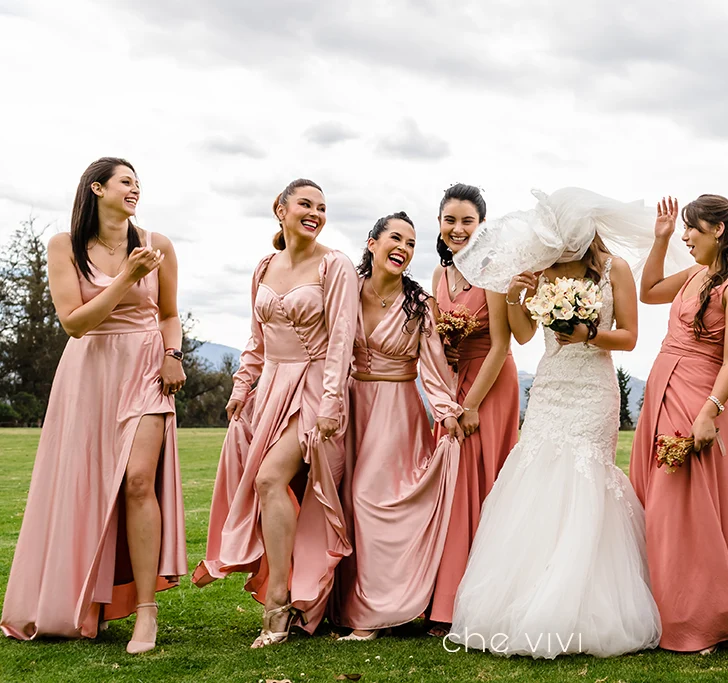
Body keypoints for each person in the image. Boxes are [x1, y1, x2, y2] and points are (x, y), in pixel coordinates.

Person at [448, 188, 662, 658]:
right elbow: (524, 336)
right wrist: (517, 296)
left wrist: (587, 332)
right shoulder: (539, 271)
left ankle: (584, 603)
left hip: (593, 390)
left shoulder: (615, 271)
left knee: (586, 478)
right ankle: (525, 598)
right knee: (539, 475)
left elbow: (628, 337)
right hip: (550, 387)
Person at [1, 157, 187, 654]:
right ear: (97, 188)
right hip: (88, 374)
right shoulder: (64, 246)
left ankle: (146, 612)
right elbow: (74, 323)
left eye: (138, 182)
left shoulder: (157, 244)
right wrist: (126, 278)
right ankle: (90, 602)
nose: (135, 188)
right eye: (125, 181)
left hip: (146, 368)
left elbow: (169, 315)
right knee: (84, 488)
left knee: (139, 479)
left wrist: (173, 354)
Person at [193, 179, 358, 648]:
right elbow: (256, 338)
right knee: (271, 487)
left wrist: (330, 402)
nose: (315, 213)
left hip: (314, 389)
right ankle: (291, 592)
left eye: (322, 207)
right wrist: (241, 386)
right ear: (280, 209)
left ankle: (279, 603)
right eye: (305, 204)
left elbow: (341, 339)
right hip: (269, 392)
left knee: (269, 479)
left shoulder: (335, 265)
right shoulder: (264, 266)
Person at [630, 194, 728, 654]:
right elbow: (648, 292)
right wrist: (660, 240)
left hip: (695, 398)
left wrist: (709, 411)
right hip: (662, 389)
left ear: (718, 231)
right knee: (657, 504)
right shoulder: (696, 274)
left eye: (690, 229)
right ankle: (664, 609)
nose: (685, 236)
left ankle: (701, 619)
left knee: (685, 510)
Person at [330, 211, 464, 641]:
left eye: (410, 243)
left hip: (396, 411)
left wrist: (446, 411)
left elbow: (434, 366)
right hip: (351, 406)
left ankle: (375, 614)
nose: (403, 248)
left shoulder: (418, 304)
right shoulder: (344, 288)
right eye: (395, 238)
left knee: (370, 499)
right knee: (345, 503)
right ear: (372, 243)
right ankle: (341, 604)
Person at [428, 185, 519, 636]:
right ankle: (442, 595)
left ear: (482, 224)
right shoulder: (437, 277)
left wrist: (471, 405)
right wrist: (445, 398)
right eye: (450, 220)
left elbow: (503, 344)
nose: (458, 229)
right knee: (451, 484)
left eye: (467, 221)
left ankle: (474, 601)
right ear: (440, 224)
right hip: (454, 383)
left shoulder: (495, 270)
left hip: (491, 385)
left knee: (478, 483)